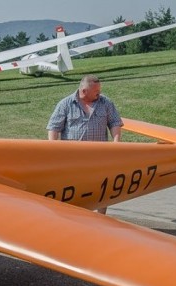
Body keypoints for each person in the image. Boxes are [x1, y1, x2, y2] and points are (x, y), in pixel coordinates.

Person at [46, 74, 123, 214]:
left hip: (100, 156)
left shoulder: (106, 103)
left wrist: (116, 143)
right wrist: (53, 149)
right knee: (74, 187)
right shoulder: (66, 104)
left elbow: (115, 122)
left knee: (102, 187)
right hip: (73, 157)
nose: (99, 93)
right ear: (84, 91)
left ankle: (101, 218)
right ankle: (73, 216)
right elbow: (54, 127)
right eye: (96, 91)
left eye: (99, 90)